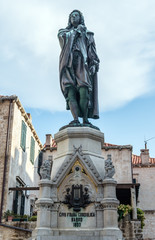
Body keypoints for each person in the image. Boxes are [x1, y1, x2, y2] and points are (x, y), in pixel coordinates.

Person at [58, 10, 100, 126]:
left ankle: (85, 120)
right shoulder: (63, 32)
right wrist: (76, 31)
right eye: (72, 16)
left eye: (76, 15)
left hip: (83, 63)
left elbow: (92, 53)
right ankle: (75, 119)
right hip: (68, 64)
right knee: (70, 91)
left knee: (84, 91)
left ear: (81, 18)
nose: (74, 17)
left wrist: (94, 64)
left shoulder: (88, 35)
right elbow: (63, 41)